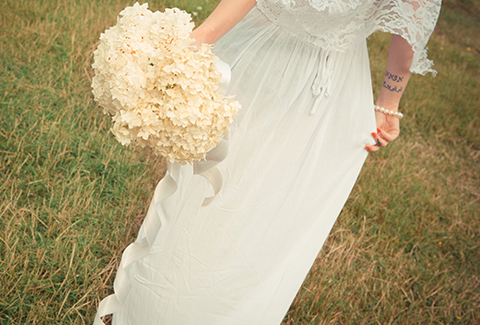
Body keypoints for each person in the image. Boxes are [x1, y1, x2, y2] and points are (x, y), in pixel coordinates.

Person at [94, 0, 442, 324]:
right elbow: (413, 13)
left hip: (291, 70)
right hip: (307, 74)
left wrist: (201, 39)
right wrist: (387, 102)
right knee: (259, 208)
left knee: (237, 202)